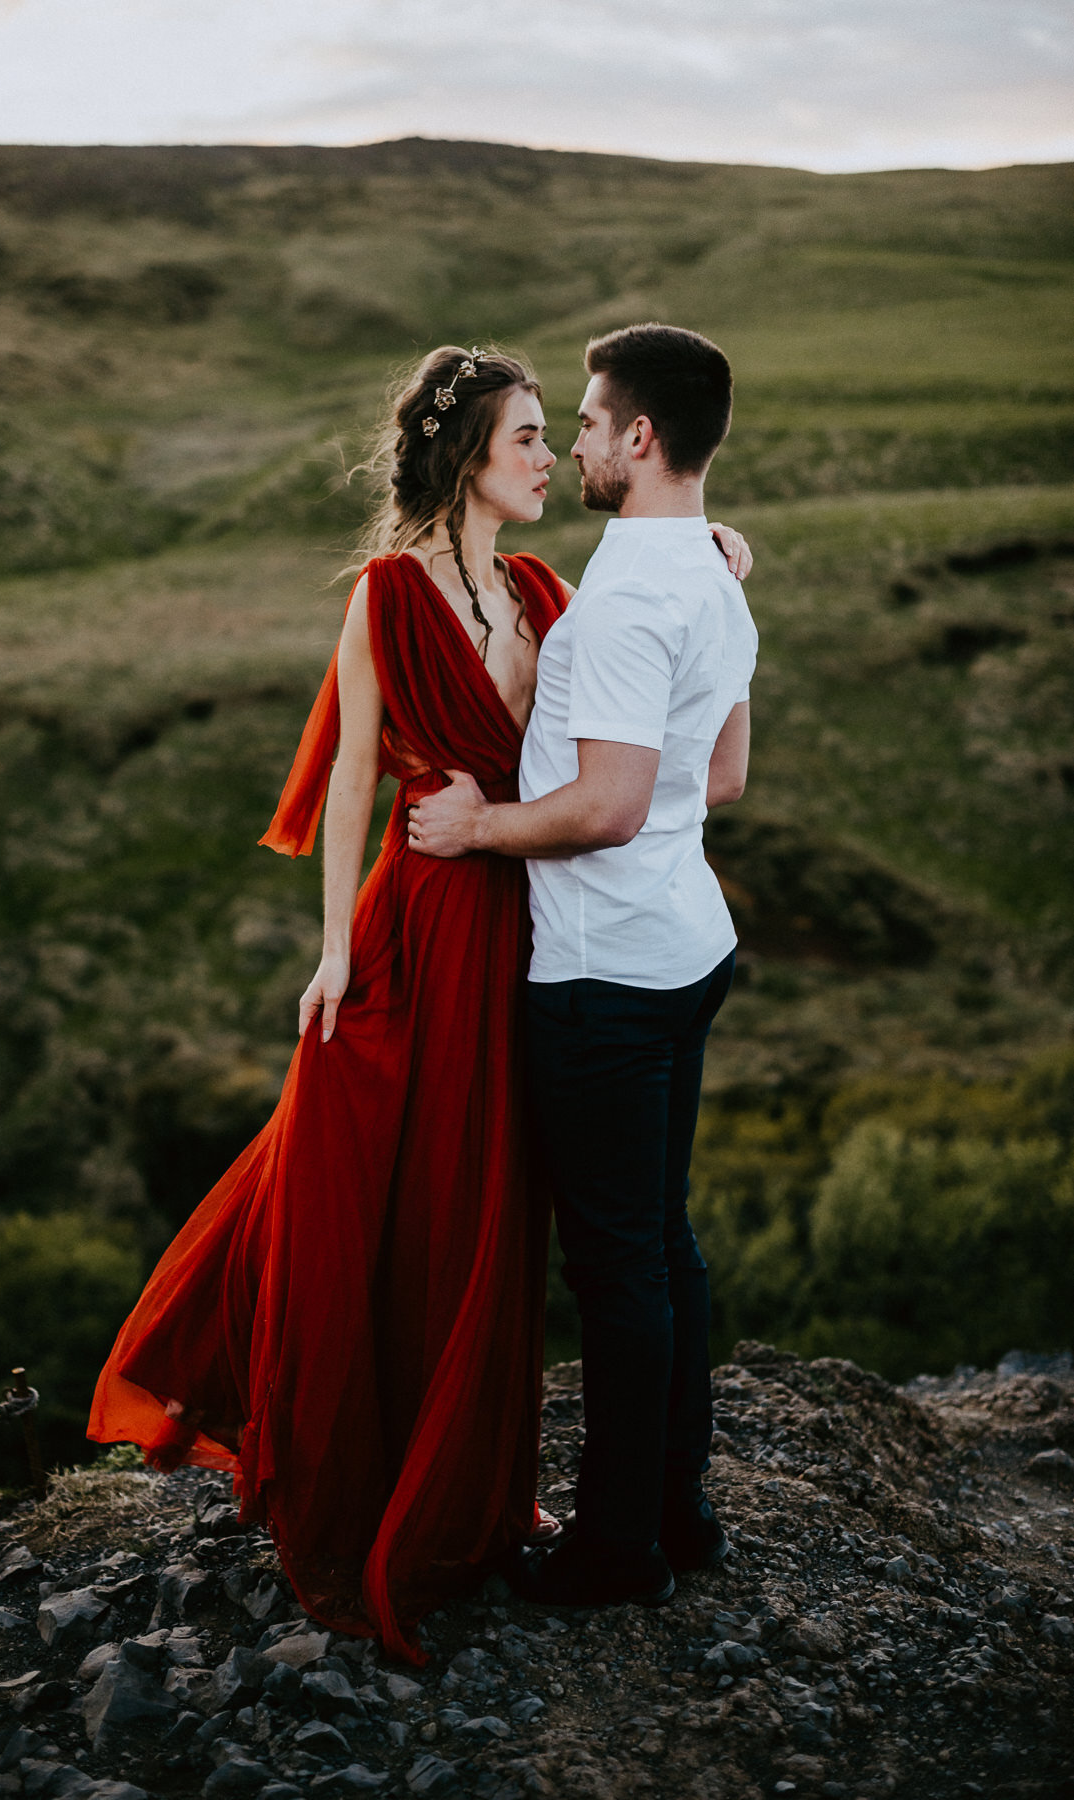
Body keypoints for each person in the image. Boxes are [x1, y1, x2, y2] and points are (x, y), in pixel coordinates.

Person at [88, 342, 751, 1662]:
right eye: (523, 437)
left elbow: (637, 728)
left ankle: (485, 1473)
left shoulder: (551, 589)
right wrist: (335, 948)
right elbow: (345, 778)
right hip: (425, 913)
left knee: (493, 1202)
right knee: (380, 1180)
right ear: (465, 459)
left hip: (527, 908)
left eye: (558, 432)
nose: (549, 453)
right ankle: (378, 1457)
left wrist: (710, 562)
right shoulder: (387, 593)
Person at [408, 323, 758, 1609]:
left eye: (594, 424)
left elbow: (609, 806)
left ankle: (617, 1550)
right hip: (686, 946)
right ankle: (678, 1509)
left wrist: (479, 826)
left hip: (604, 973)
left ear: (642, 439)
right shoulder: (717, 576)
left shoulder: (621, 600)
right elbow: (716, 778)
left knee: (614, 1264)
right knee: (661, 1246)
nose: (580, 447)